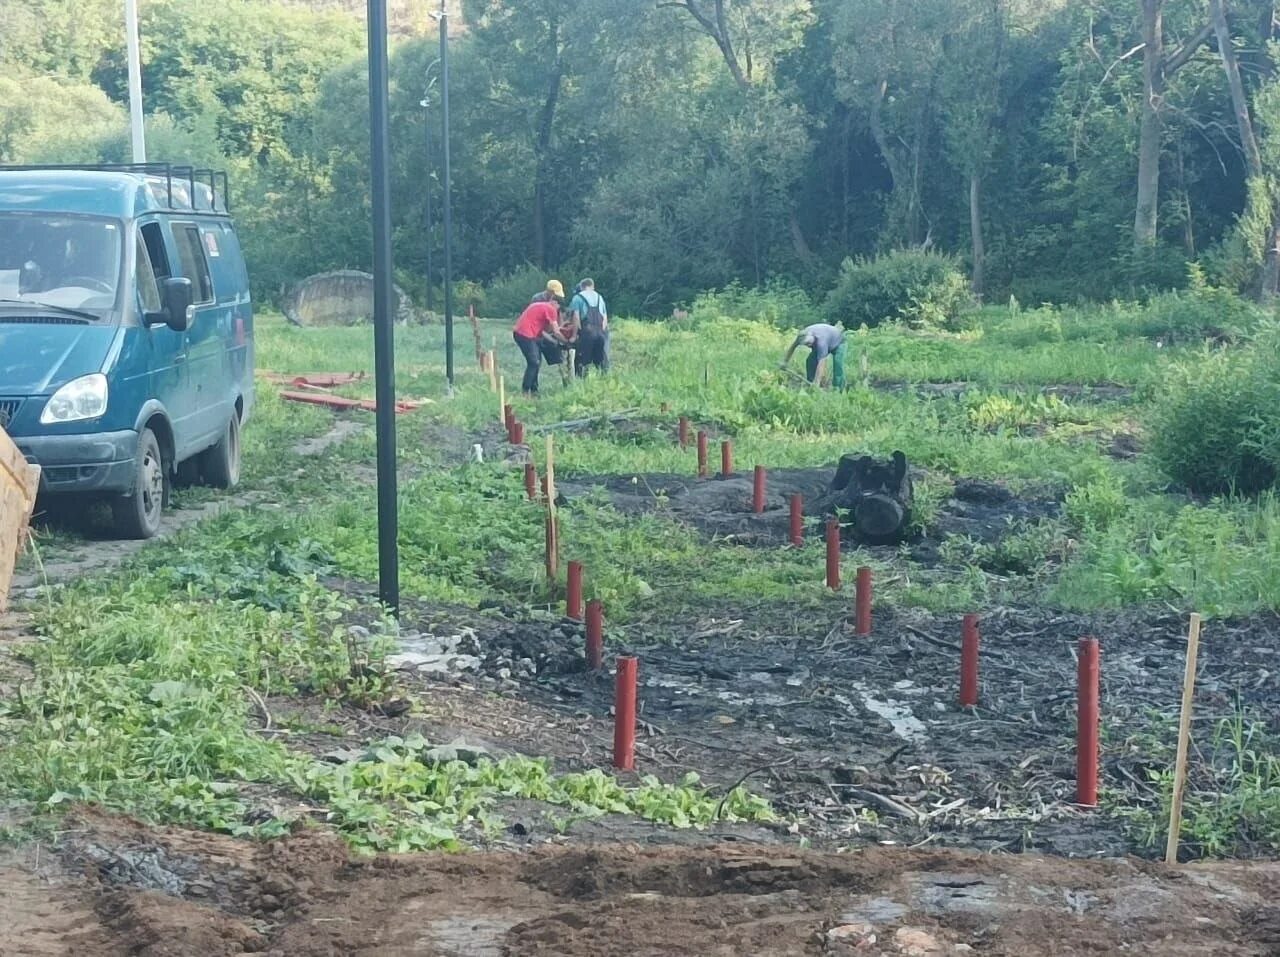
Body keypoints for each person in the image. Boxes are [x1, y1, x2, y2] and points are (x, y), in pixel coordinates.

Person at [512, 281, 570, 396]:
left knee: (536, 361)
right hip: (525, 334)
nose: (558, 310)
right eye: (558, 306)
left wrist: (554, 342)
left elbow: (544, 333)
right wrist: (566, 342)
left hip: (523, 333)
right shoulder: (551, 309)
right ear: (555, 302)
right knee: (534, 362)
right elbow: (556, 331)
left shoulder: (540, 305)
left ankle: (533, 390)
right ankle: (525, 391)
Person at [780, 322, 847, 388]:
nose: (808, 345)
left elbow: (821, 363)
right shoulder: (801, 336)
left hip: (839, 342)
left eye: (809, 343)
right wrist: (785, 362)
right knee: (810, 361)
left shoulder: (821, 342)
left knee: (838, 365)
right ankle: (810, 383)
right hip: (826, 339)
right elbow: (792, 348)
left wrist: (817, 382)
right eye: (806, 344)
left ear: (812, 336)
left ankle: (838, 389)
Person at [569, 278, 609, 376]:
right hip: (601, 332)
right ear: (592, 286)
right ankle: (604, 381)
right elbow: (605, 319)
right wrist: (602, 333)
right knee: (601, 361)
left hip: (587, 332)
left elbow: (576, 318)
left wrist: (574, 336)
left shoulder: (577, 298)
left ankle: (582, 383)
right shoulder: (600, 297)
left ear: (582, 287)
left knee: (582, 360)